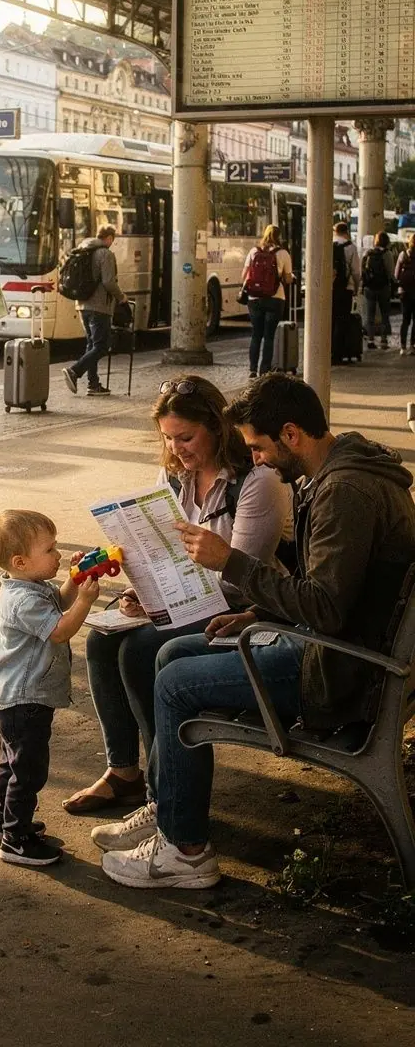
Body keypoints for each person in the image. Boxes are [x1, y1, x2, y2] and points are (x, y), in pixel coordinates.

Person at [94, 373, 415, 890]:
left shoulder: (344, 492)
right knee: (172, 653)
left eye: (259, 447)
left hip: (339, 670)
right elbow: (331, 594)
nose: (258, 460)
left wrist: (232, 563)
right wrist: (258, 613)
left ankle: (185, 853)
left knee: (174, 684)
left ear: (291, 434)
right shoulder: (342, 474)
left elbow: (325, 608)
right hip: (339, 646)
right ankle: (171, 807)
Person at [62, 375, 291, 816]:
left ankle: (160, 789)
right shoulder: (174, 474)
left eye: (185, 437)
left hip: (242, 604)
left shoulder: (255, 480)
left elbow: (239, 575)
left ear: (217, 428)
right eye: (167, 438)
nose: (176, 449)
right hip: (180, 594)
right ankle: (123, 771)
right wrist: (143, 587)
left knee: (140, 649)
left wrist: (162, 600)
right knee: (101, 641)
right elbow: (160, 550)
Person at [0, 509, 100, 867]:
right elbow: (60, 630)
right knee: (28, 771)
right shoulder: (24, 600)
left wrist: (75, 582)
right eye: (49, 550)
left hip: (16, 697)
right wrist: (86, 601)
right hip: (25, 699)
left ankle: (3, 822)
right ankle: (16, 840)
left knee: (12, 763)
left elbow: (59, 602)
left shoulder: (30, 586)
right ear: (20, 562)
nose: (58, 554)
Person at [62, 225, 126, 397]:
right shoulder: (105, 254)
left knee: (92, 345)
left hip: (82, 304)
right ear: (109, 238)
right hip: (99, 307)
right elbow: (109, 282)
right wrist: (121, 297)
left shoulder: (83, 249)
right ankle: (74, 371)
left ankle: (93, 384)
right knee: (102, 346)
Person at [241, 224, 293, 379]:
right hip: (275, 299)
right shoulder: (283, 253)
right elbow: (287, 279)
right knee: (269, 336)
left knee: (256, 335)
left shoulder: (254, 251)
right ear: (279, 236)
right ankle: (264, 371)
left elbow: (244, 275)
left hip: (254, 298)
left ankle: (252, 369)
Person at [332, 221, 360, 364]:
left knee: (329, 320)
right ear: (346, 232)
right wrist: (356, 287)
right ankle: (338, 354)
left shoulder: (328, 245)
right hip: (345, 288)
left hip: (329, 289)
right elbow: (356, 272)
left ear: (335, 231)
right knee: (342, 321)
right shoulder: (351, 247)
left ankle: (327, 352)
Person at [361, 230, 393, 350]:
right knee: (385, 314)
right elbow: (390, 272)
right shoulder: (387, 254)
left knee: (370, 315)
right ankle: (384, 340)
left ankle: (370, 340)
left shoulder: (368, 253)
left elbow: (362, 270)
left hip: (369, 287)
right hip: (383, 287)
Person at [395, 233, 415, 355]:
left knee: (405, 320)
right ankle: (413, 345)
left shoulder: (403, 254)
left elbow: (396, 274)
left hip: (405, 292)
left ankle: (402, 346)